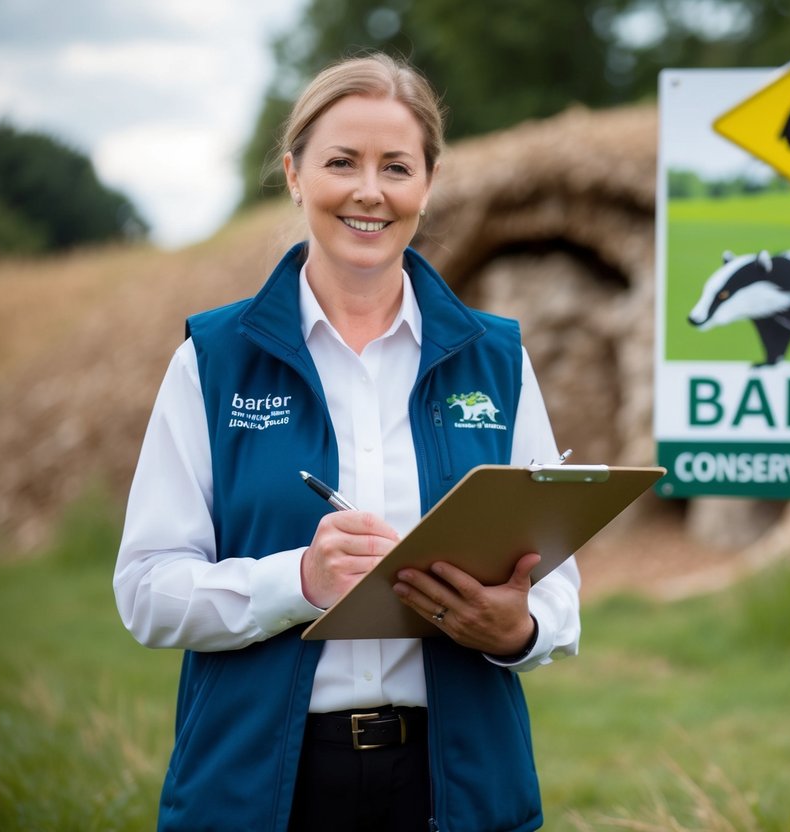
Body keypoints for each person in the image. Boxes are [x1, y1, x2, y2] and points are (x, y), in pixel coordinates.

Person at [113, 53, 580, 832]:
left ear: (426, 186)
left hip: (457, 785)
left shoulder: (496, 361)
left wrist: (523, 629)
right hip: (262, 787)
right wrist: (298, 579)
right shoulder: (212, 359)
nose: (369, 190)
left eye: (396, 166)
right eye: (341, 162)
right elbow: (146, 591)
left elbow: (556, 578)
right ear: (295, 174)